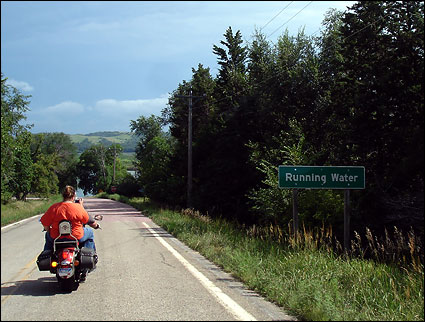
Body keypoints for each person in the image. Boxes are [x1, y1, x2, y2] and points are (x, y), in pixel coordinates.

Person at [40, 185, 100, 253]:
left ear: (63, 196)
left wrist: (49, 231)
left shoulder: (54, 208)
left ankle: (47, 254)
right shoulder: (78, 208)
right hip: (76, 237)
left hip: (56, 237)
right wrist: (81, 206)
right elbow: (87, 220)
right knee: (90, 232)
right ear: (74, 196)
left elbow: (45, 223)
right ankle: (89, 254)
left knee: (48, 235)